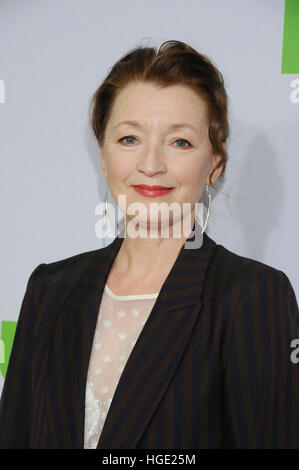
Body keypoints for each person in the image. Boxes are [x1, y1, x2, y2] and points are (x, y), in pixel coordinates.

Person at [0, 39, 298, 449]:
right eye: (129, 139)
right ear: (103, 157)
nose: (151, 164)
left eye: (180, 142)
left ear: (215, 164)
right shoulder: (49, 289)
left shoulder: (254, 296)